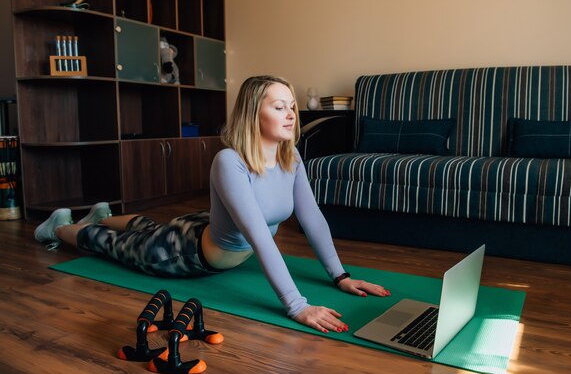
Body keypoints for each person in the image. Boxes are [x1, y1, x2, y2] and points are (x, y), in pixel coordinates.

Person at [34, 75, 390, 334]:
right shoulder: (229, 161)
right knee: (111, 244)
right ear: (253, 113)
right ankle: (62, 227)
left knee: (145, 226)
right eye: (279, 106)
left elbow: (311, 216)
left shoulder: (291, 156)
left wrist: (340, 276)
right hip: (180, 252)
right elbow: (258, 235)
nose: (291, 113)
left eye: (291, 106)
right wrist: (297, 306)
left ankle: (102, 215)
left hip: (203, 225)